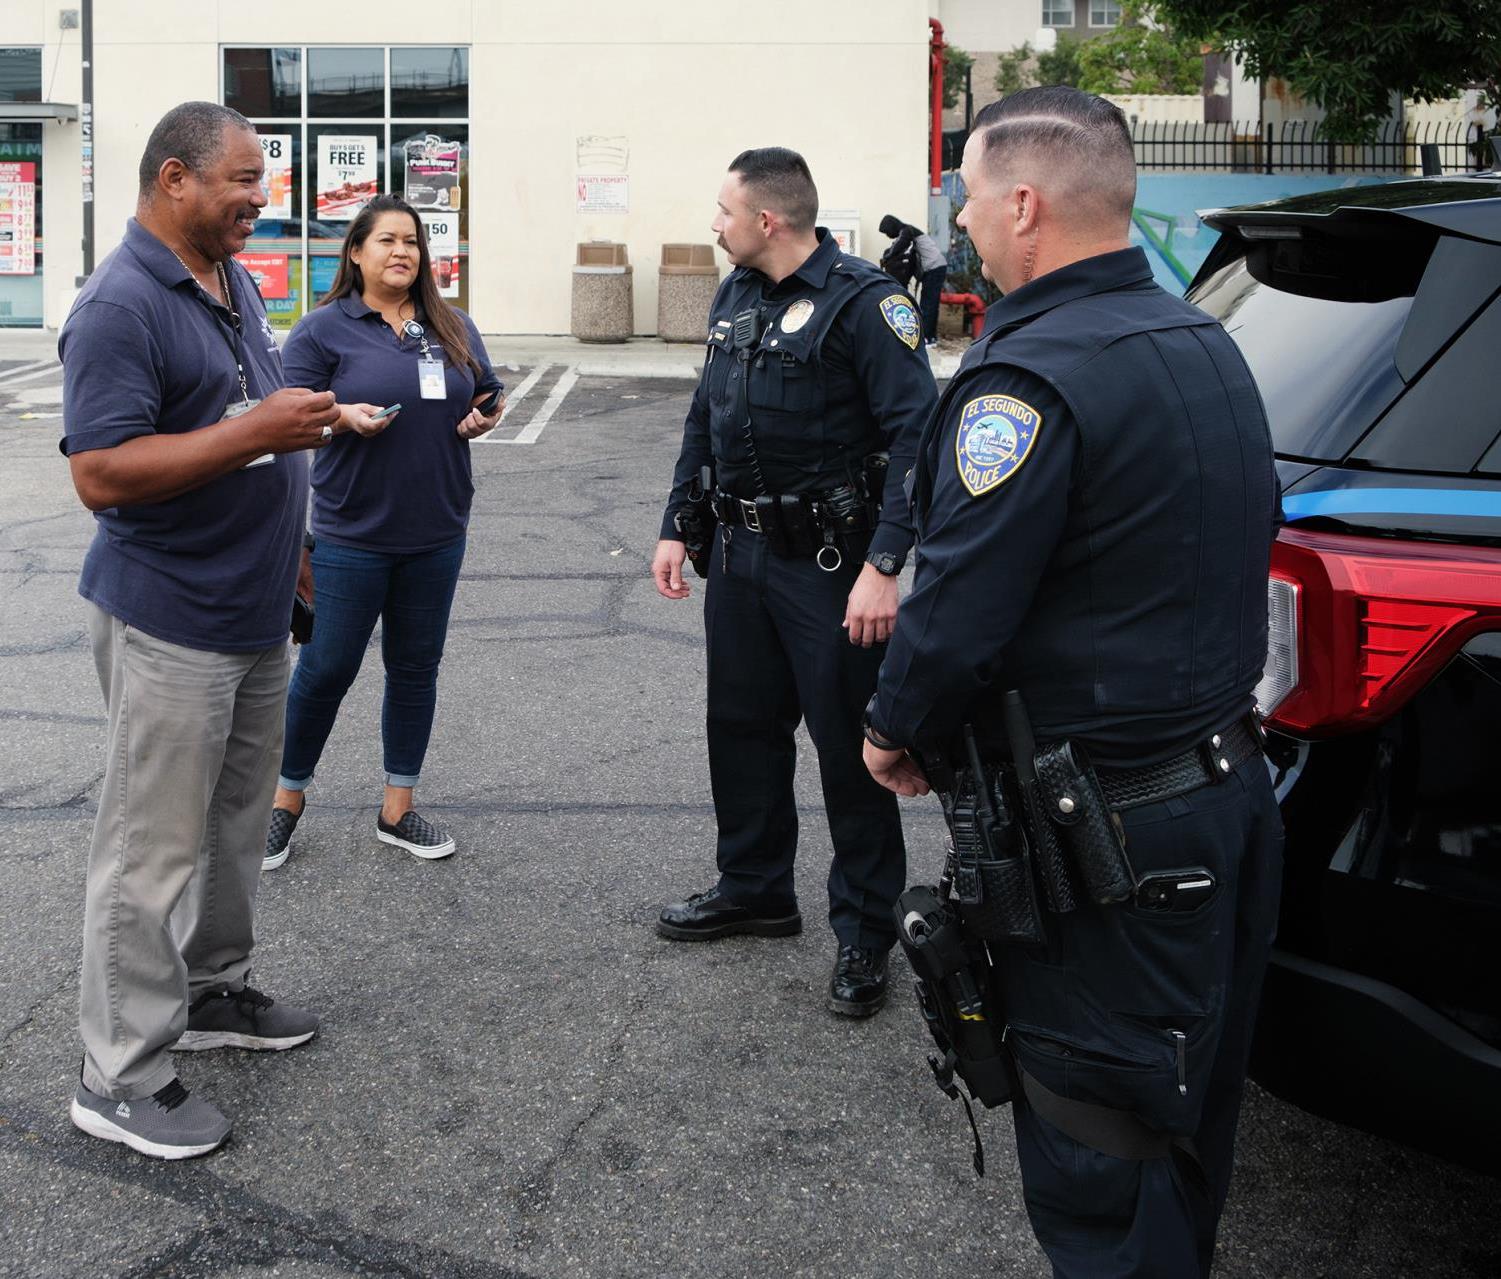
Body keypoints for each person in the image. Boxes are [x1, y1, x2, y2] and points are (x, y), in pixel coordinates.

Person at [862, 88, 1282, 1275]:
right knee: (1183, 1120)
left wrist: (892, 729)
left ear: (1025, 204)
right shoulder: (1205, 338)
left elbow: (954, 611)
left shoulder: (1025, 380)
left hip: (1111, 842)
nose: (961, 226)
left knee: (1104, 1150)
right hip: (1221, 795)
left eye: (969, 201)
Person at [60, 102, 339, 1160]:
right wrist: (254, 432)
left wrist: (296, 537)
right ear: (173, 180)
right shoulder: (119, 304)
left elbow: (255, 424)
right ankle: (118, 1073)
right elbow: (101, 473)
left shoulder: (227, 283)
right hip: (171, 620)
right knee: (149, 852)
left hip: (254, 609)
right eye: (244, 180)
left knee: (230, 824)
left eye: (262, 181)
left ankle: (214, 993)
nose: (260, 200)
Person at [651, 148, 936, 1017]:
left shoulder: (865, 304)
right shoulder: (736, 292)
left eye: (723, 209)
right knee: (739, 727)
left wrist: (884, 566)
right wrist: (674, 522)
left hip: (829, 567)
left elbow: (917, 436)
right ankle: (755, 887)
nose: (714, 223)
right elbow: (706, 412)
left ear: (767, 220)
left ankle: (863, 932)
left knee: (852, 751)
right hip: (738, 555)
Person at [261, 195, 504, 870]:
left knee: (415, 668)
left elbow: (487, 390)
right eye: (388, 240)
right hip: (351, 532)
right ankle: (283, 802)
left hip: (438, 527)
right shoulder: (321, 330)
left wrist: (489, 414)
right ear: (356, 252)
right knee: (326, 668)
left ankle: (398, 809)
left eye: (413, 242)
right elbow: (286, 419)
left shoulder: (451, 325)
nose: (404, 252)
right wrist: (339, 417)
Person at [878, 213, 947, 349]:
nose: (888, 235)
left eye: (887, 232)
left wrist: (886, 257)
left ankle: (927, 338)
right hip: (936, 267)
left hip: (934, 267)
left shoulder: (906, 231)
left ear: (892, 226)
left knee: (928, 304)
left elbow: (897, 247)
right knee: (930, 303)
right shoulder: (908, 232)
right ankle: (931, 337)